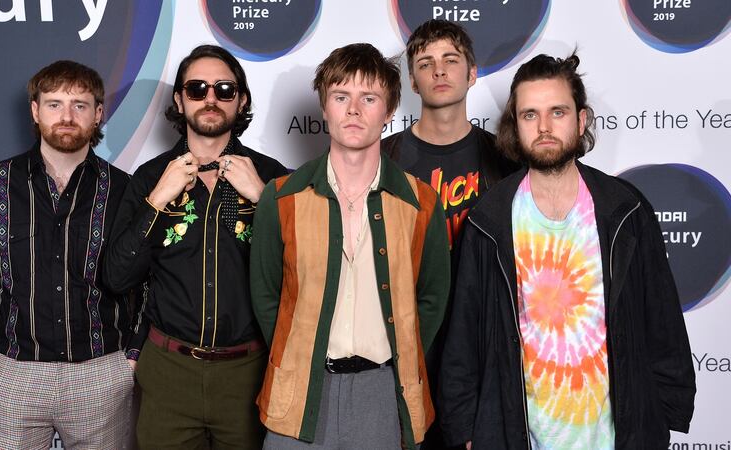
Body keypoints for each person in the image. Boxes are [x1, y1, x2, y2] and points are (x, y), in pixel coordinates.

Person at [438, 52, 696, 449]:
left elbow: (661, 320)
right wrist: (469, 432)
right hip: (517, 437)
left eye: (557, 112)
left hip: (617, 438)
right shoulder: (487, 221)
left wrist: (661, 415)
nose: (543, 127)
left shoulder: (624, 208)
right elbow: (463, 340)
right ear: (515, 125)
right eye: (529, 115)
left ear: (581, 120)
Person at [250, 43, 450, 450]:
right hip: (300, 390)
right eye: (341, 97)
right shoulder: (282, 197)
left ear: (390, 111)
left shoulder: (421, 203)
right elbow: (267, 297)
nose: (354, 110)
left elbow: (432, 298)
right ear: (325, 107)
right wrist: (299, 351)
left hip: (382, 391)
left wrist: (401, 355)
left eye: (369, 98)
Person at [102, 44, 288, 449]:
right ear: (179, 99)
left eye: (223, 89)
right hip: (169, 371)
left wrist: (265, 200)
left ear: (240, 100)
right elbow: (117, 276)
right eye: (197, 88)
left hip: (250, 373)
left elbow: (307, 273)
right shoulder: (149, 178)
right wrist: (158, 199)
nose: (209, 99)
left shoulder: (273, 178)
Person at [0, 60, 134, 449]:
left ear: (98, 114)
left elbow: (146, 279)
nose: (66, 116)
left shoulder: (124, 191)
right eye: (54, 104)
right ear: (35, 110)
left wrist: (130, 360)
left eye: (80, 105)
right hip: (14, 374)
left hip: (101, 376)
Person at [382, 20, 519, 448]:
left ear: (472, 73)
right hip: (407, 342)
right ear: (414, 83)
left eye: (450, 60)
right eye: (426, 63)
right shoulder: (385, 158)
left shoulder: (505, 160)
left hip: (482, 344)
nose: (439, 71)